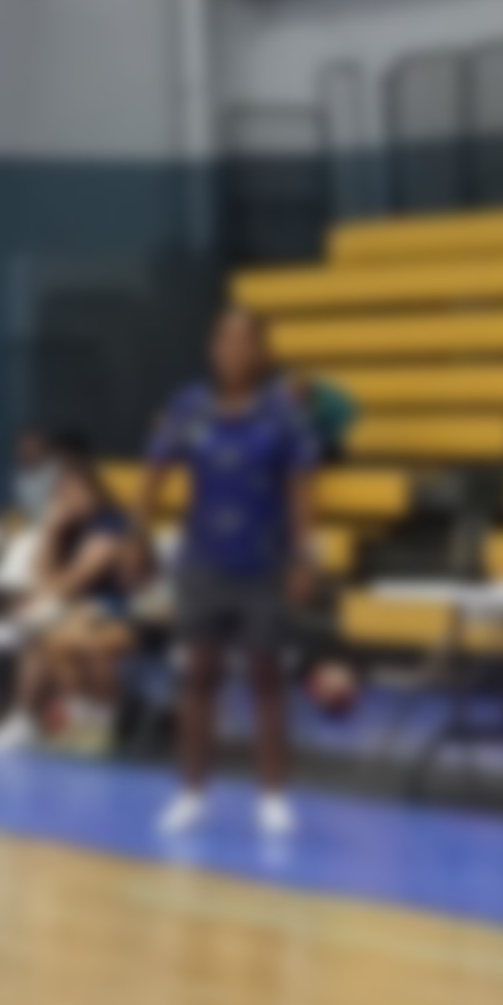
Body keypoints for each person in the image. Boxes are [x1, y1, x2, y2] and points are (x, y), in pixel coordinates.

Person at [150, 305, 335, 839]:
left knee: (266, 680)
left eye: (244, 341)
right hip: (202, 561)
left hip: (265, 563)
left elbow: (302, 490)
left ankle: (273, 798)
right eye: (224, 340)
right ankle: (191, 794)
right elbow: (157, 469)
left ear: (262, 351)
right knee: (198, 678)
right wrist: (136, 533)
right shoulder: (189, 406)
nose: (234, 350)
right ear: (213, 349)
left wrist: (306, 557)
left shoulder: (284, 414)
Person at [0, 430, 146, 752]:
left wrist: (41, 602)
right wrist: (51, 527)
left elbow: (75, 580)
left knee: (51, 630)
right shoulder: (64, 527)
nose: (67, 497)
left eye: (74, 489)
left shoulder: (111, 523)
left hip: (116, 615)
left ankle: (88, 718)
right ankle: (29, 720)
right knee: (42, 636)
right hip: (72, 612)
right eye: (62, 491)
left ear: (92, 490)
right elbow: (40, 577)